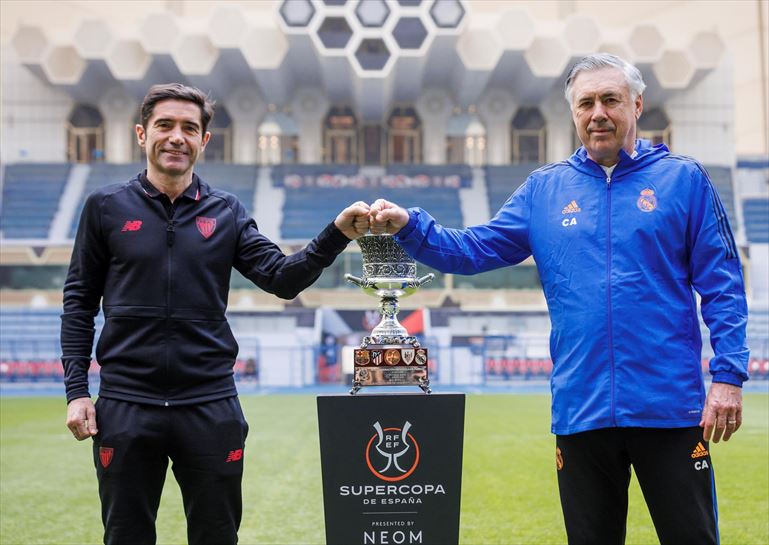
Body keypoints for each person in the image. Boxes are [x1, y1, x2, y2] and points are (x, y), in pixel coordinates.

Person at [369, 53, 749, 545]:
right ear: (573, 113)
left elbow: (723, 284)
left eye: (610, 100)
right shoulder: (545, 190)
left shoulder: (684, 180)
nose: (598, 113)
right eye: (585, 103)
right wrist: (411, 225)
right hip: (581, 408)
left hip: (669, 407)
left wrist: (728, 377)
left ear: (636, 104)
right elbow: (474, 249)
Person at [61, 83, 370, 545]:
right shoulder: (105, 208)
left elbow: (282, 279)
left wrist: (336, 233)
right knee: (125, 536)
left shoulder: (226, 212)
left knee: (216, 536)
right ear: (142, 134)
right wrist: (76, 391)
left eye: (189, 128)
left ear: (204, 141)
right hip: (126, 405)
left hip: (209, 403)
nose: (176, 137)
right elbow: (79, 302)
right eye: (165, 125)